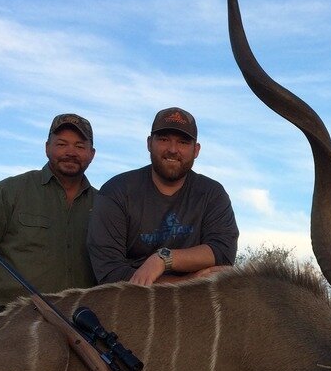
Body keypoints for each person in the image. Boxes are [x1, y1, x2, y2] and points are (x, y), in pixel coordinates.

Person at [0, 113, 97, 354]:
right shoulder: (8, 192)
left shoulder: (104, 205)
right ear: (47, 148)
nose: (71, 152)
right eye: (62, 144)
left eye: (80, 146)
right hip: (12, 320)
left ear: (92, 154)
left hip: (81, 325)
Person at [87, 107, 238, 285]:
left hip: (196, 303)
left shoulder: (212, 193)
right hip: (131, 301)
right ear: (149, 143)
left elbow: (223, 251)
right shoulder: (116, 191)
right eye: (164, 139)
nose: (173, 149)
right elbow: (109, 271)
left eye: (183, 142)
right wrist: (184, 283)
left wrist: (163, 258)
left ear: (196, 150)